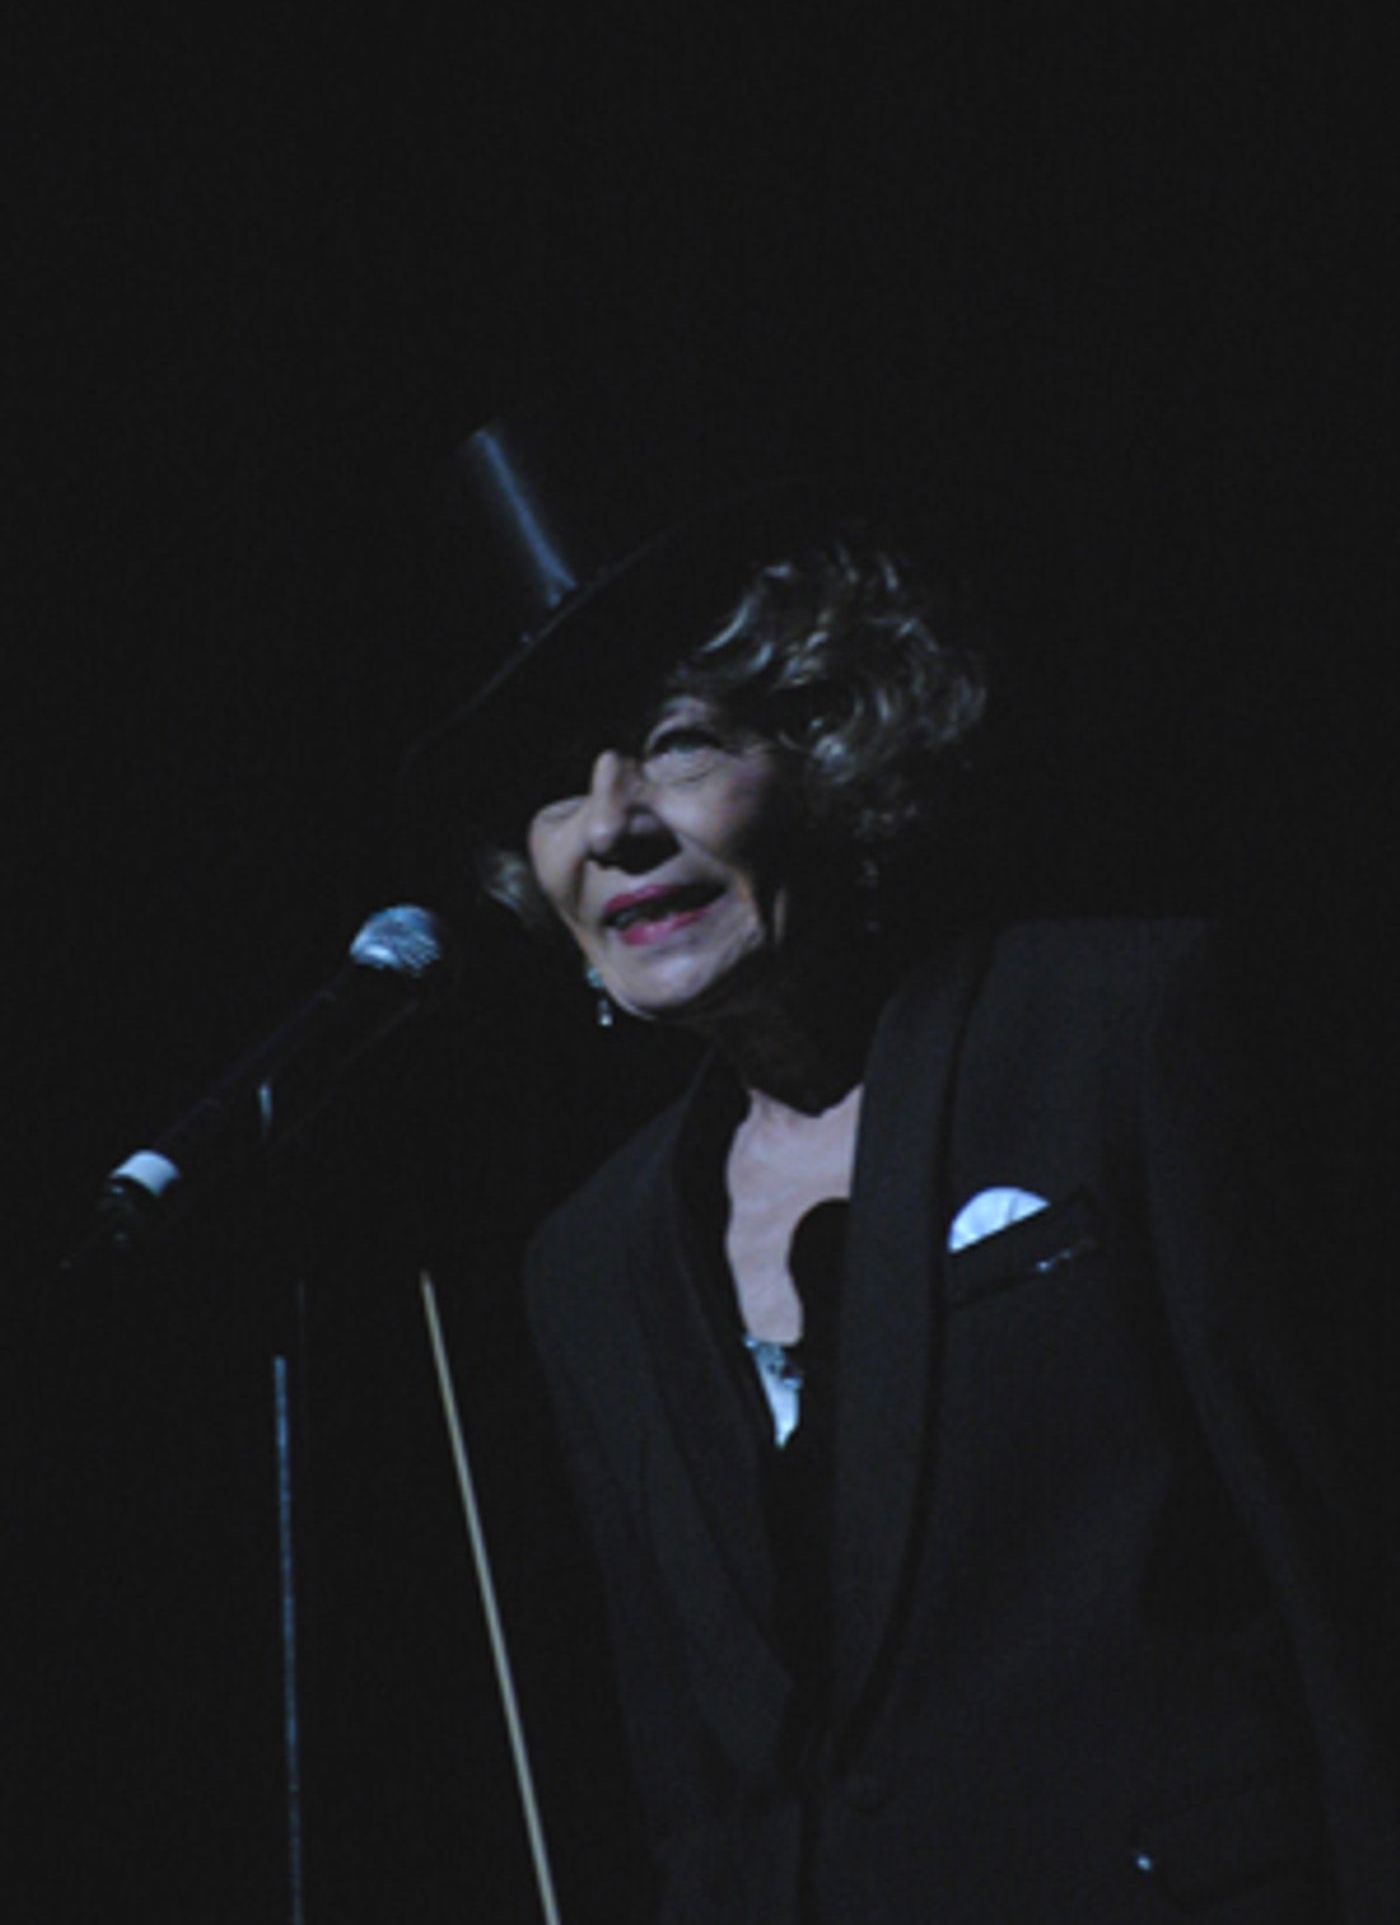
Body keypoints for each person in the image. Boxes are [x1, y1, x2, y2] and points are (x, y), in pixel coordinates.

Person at [428, 458, 1396, 1923]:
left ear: (830, 752)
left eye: (677, 747)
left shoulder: (1114, 1032)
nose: (613, 823)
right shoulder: (589, 1260)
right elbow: (692, 1781)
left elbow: (1342, 1567)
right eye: (562, 787)